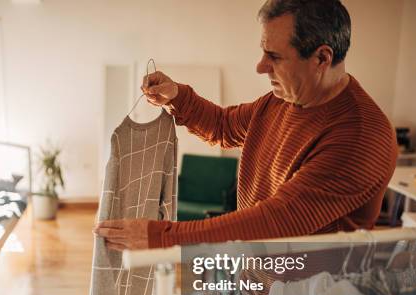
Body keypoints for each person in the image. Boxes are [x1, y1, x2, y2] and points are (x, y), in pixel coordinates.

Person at [94, 0, 397, 252]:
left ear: (321, 57)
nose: (260, 66)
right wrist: (177, 97)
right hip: (253, 280)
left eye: (274, 56)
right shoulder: (282, 100)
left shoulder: (360, 136)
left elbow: (276, 221)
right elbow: (224, 127)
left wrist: (160, 237)